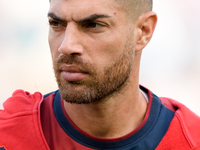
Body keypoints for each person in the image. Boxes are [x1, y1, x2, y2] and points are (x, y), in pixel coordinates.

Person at [0, 0, 200, 149]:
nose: (66, 46)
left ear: (143, 31)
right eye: (56, 24)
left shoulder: (190, 140)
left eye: (93, 25)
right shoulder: (8, 137)